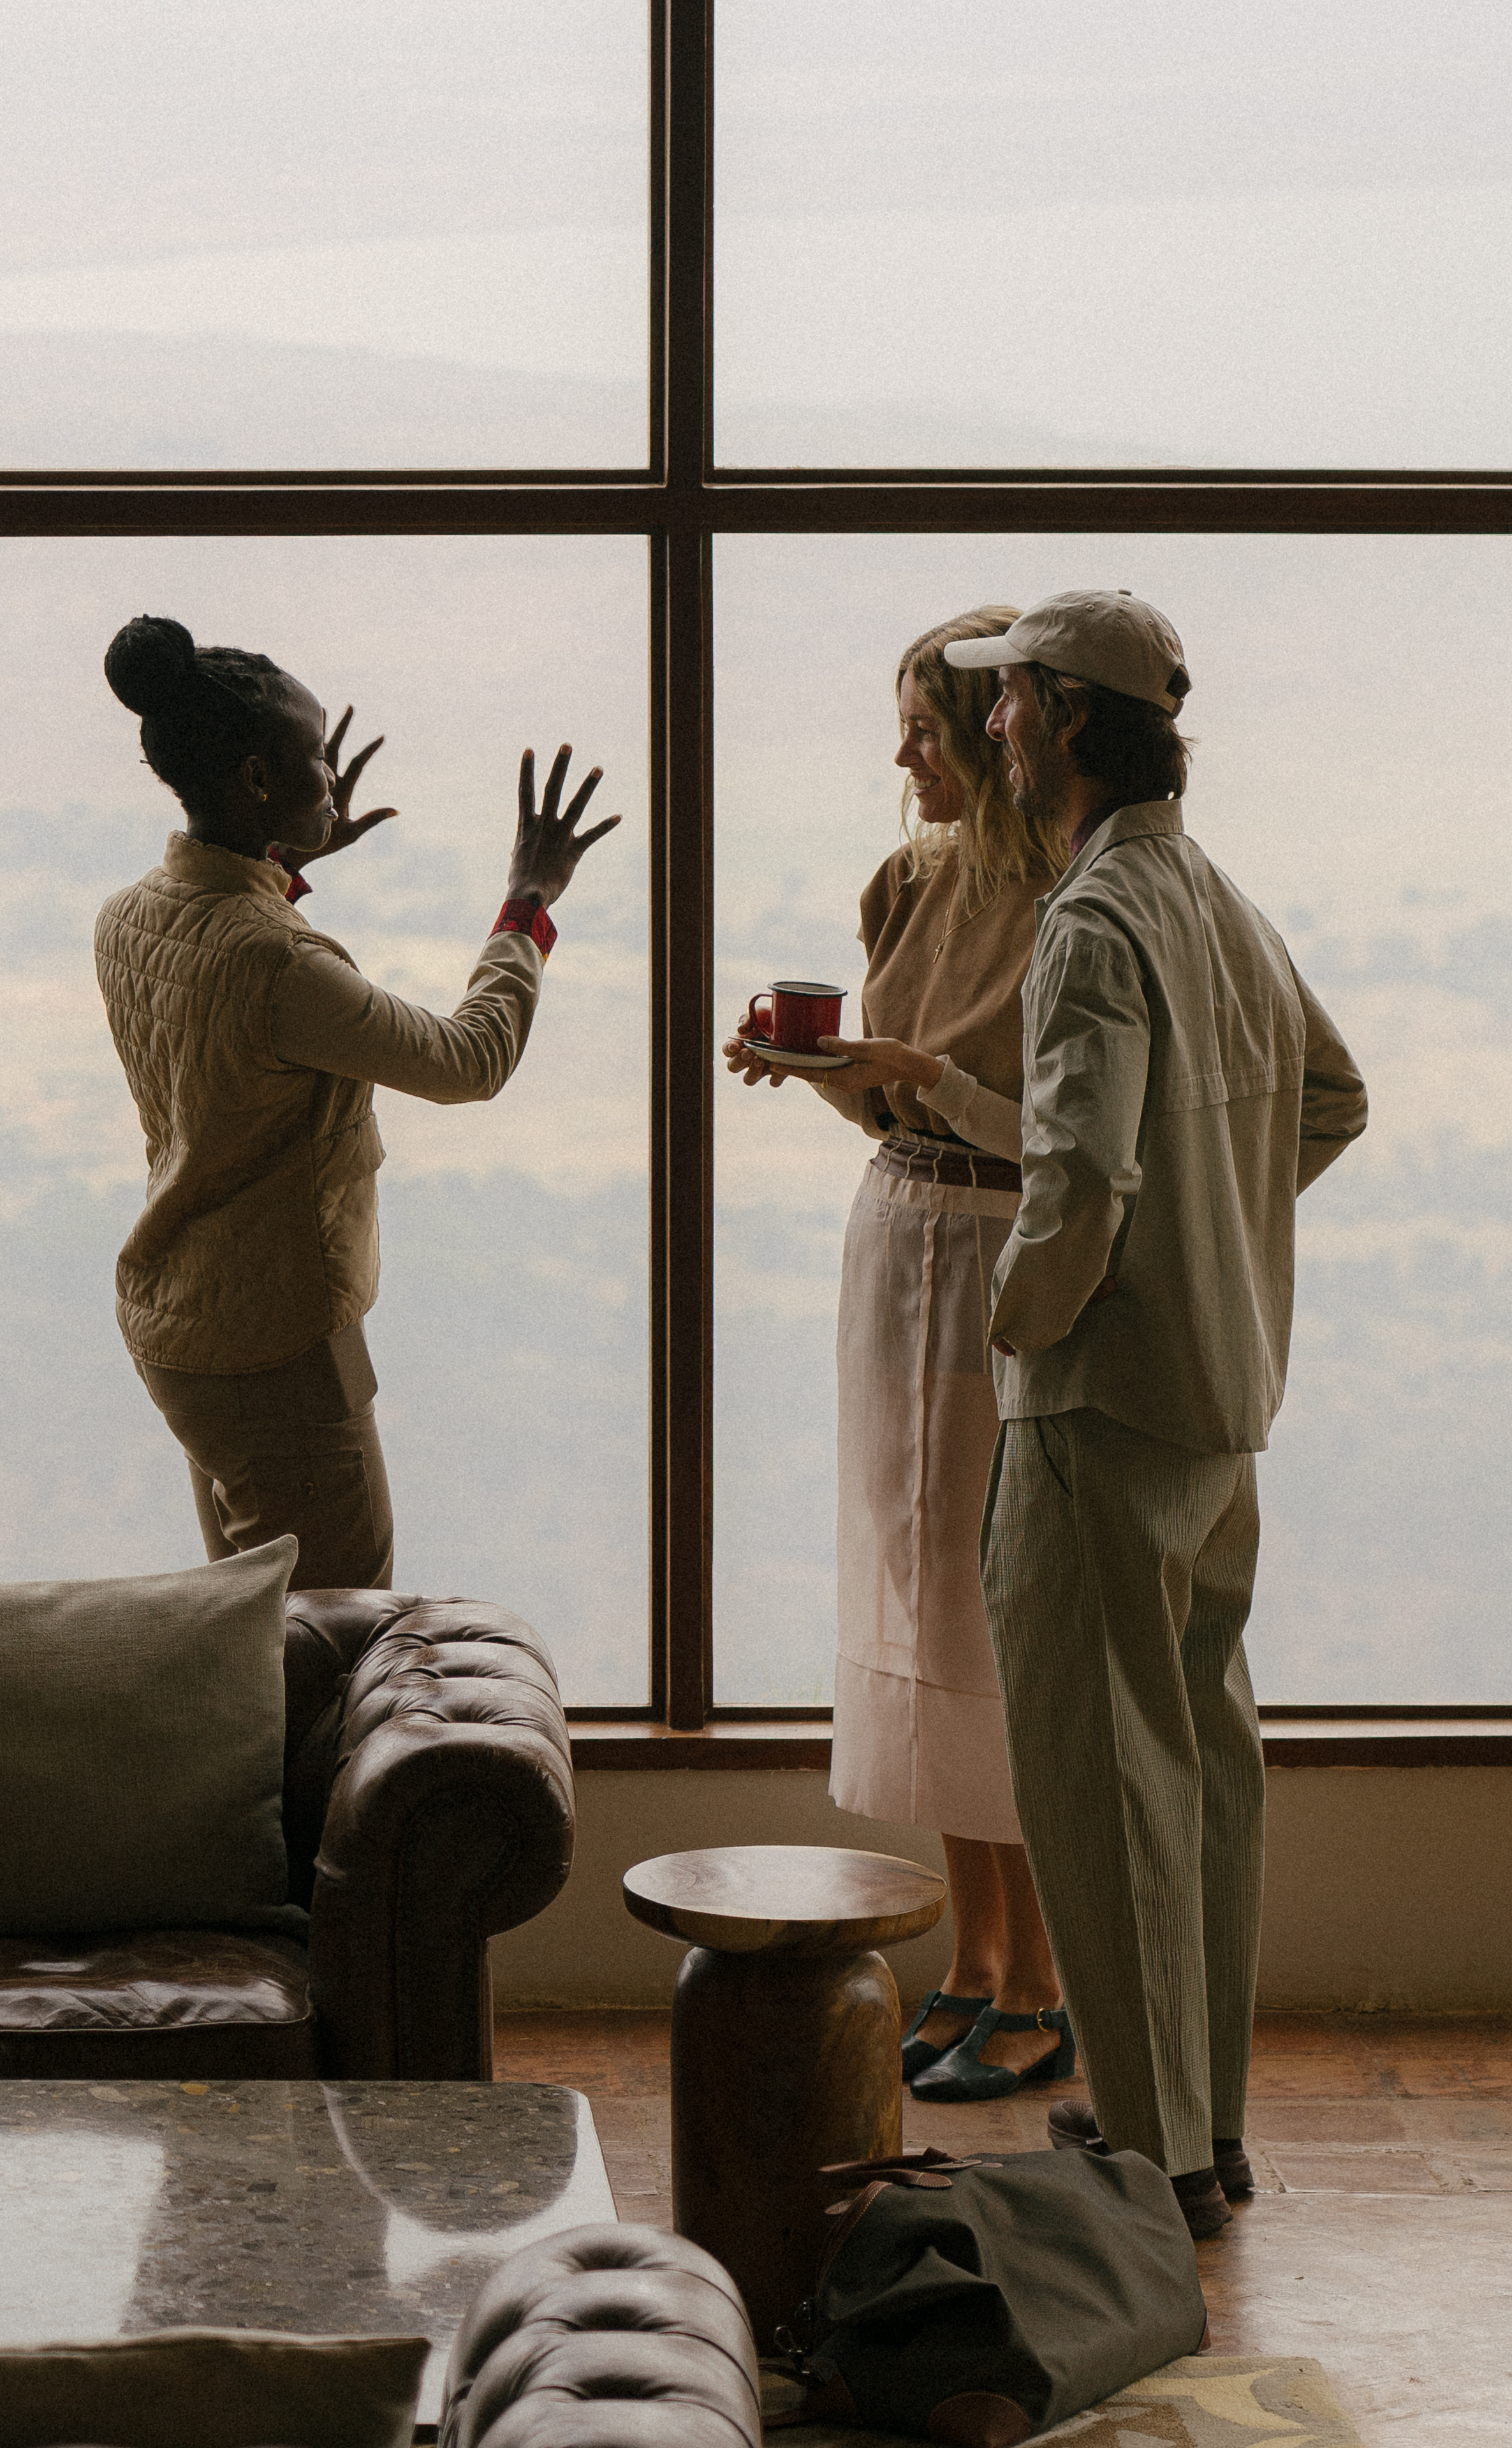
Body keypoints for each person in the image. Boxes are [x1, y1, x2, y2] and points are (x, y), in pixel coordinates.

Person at [943, 590, 1367, 2237]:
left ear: (1069, 719)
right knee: (1203, 1762)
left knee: (1097, 1774)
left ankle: (1150, 2148)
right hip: (1220, 1407)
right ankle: (1207, 2118)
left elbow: (1081, 1190)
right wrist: (1223, 1219)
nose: (995, 727)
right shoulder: (1217, 899)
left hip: (1100, 1408)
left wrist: (1011, 1326)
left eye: (1012, 702)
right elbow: (1329, 1092)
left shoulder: (1095, 922)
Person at [722, 607, 1073, 2103]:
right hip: (898, 1239)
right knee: (921, 1602)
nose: (903, 756)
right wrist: (825, 1080)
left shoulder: (1073, 900)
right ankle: (972, 1961)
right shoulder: (906, 879)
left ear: (998, 736)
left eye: (926, 729)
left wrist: (919, 1077)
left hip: (1001, 1254)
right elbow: (893, 1114)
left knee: (993, 1614)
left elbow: (1066, 1143)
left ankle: (1043, 1980)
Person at [94, 611, 617, 1589]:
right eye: (315, 762)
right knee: (335, 1631)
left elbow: (228, 1017)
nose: (333, 780)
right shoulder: (280, 960)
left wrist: (277, 862)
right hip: (276, 1351)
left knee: (248, 1625)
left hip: (182, 1334)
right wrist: (528, 899)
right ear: (255, 782)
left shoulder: (127, 918)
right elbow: (469, 1059)